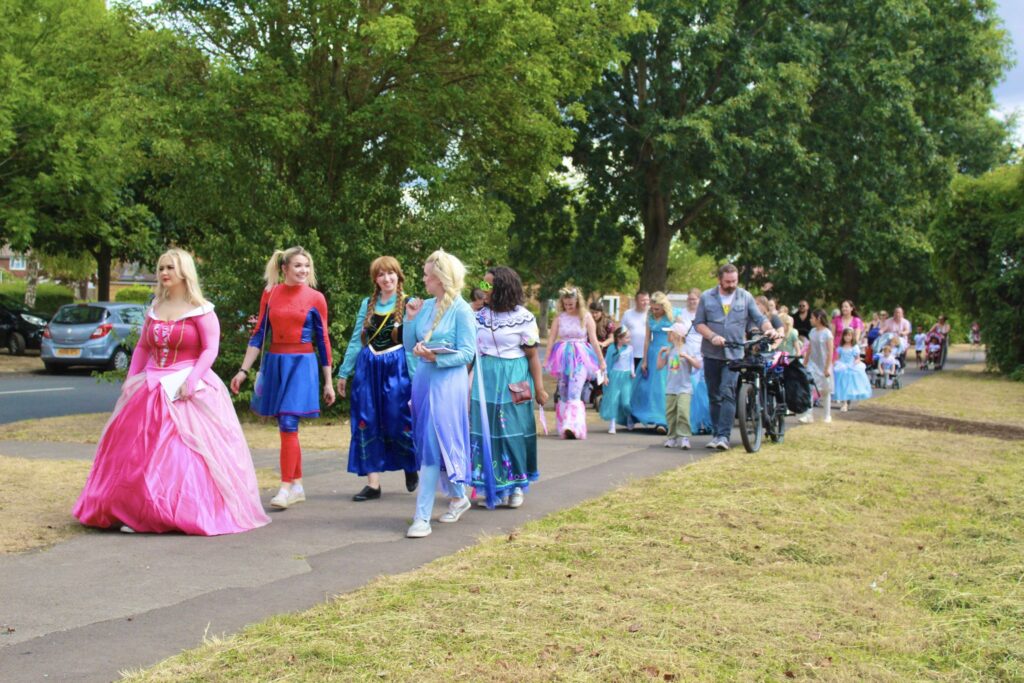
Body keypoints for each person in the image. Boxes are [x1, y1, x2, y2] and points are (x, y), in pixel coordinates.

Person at [74, 249, 270, 535]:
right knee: (137, 450)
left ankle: (177, 512)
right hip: (151, 384)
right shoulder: (155, 307)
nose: (164, 273)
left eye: (170, 268)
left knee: (182, 454)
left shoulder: (201, 309)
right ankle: (134, 511)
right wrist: (131, 381)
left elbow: (209, 348)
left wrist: (193, 380)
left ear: (184, 272)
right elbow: (142, 347)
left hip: (188, 385)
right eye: (161, 268)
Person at [231, 247, 335, 510]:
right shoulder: (271, 293)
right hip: (275, 361)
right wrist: (243, 370)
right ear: (285, 268)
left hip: (302, 364)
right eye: (298, 266)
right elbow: (258, 334)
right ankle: (297, 485)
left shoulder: (316, 298)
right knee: (285, 425)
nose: (303, 271)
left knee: (289, 421)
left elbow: (323, 340)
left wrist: (328, 381)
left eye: (307, 266)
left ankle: (285, 487)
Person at [403, 249, 476, 538]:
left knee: (433, 445)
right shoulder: (427, 306)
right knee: (429, 439)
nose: (423, 279)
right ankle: (459, 496)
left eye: (427, 275)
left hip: (448, 382)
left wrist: (438, 359)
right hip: (423, 379)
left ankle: (421, 517)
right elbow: (411, 345)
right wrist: (410, 319)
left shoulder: (461, 309)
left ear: (441, 278)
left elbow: (468, 352)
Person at [336, 256, 418, 502]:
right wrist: (344, 371)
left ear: (398, 275)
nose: (386, 278)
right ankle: (373, 484)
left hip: (397, 367)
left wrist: (415, 379)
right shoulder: (367, 303)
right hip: (368, 367)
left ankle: (410, 464)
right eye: (381, 274)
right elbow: (355, 339)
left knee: (398, 418)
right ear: (375, 279)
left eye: (391, 273)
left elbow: (413, 343)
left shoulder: (410, 303)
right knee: (366, 420)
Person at [470, 266, 548, 510]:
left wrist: (540, 388)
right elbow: (471, 353)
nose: (483, 289)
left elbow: (533, 356)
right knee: (486, 432)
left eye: (488, 285)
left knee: (513, 432)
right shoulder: (479, 316)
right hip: (486, 377)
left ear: (502, 288)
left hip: (514, 377)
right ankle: (493, 486)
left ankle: (515, 485)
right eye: (482, 285)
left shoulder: (523, 317)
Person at [694, 264, 777, 450]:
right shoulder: (707, 297)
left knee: (727, 391)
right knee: (714, 394)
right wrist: (712, 336)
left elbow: (759, 318)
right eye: (728, 282)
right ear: (719, 280)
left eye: (734, 281)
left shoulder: (745, 297)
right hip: (711, 353)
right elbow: (699, 323)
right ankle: (716, 434)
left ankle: (724, 436)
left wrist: (770, 330)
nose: (732, 285)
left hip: (734, 353)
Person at [544, 286, 606, 439]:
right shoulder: (560, 318)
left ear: (578, 302)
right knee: (563, 391)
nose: (568, 307)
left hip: (580, 357)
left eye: (571, 304)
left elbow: (593, 340)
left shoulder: (586, 317)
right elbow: (551, 338)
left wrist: (601, 361)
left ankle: (573, 426)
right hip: (563, 356)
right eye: (566, 304)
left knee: (574, 391)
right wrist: (546, 358)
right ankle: (563, 425)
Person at [629, 291, 676, 434]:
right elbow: (647, 339)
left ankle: (667, 420)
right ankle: (654, 419)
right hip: (654, 353)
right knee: (651, 387)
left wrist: (674, 350)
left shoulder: (673, 316)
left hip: (669, 351)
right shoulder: (649, 317)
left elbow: (679, 334)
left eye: (657, 309)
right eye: (653, 308)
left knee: (668, 385)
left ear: (664, 307)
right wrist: (644, 360)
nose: (654, 311)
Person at [657, 321, 701, 449]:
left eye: (670, 333)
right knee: (670, 413)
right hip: (671, 387)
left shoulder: (687, 348)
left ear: (677, 335)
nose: (668, 335)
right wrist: (661, 354)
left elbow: (698, 365)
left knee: (683, 411)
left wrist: (687, 357)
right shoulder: (669, 349)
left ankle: (685, 437)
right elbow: (659, 367)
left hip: (684, 387)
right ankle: (672, 437)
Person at [680, 288, 712, 435]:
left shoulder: (705, 314)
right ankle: (692, 421)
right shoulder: (682, 314)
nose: (692, 302)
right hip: (688, 352)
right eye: (690, 299)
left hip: (702, 353)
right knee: (690, 388)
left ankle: (705, 421)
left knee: (702, 389)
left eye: (695, 299)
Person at [600, 327, 635, 434]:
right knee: (613, 400)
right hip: (614, 375)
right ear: (619, 339)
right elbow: (606, 363)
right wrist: (605, 376)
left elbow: (631, 362)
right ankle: (612, 423)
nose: (629, 339)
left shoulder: (630, 348)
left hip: (626, 376)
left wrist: (632, 372)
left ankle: (628, 416)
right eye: (627, 337)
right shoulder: (612, 348)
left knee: (626, 401)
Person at [801, 309, 834, 424]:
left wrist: (827, 368)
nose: (810, 320)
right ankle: (809, 414)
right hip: (813, 364)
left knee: (825, 391)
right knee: (810, 388)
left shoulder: (827, 333)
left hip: (824, 364)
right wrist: (805, 362)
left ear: (818, 318)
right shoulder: (812, 332)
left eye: (812, 318)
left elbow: (830, 352)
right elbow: (810, 348)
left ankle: (827, 415)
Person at [833, 327, 872, 411]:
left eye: (849, 335)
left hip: (851, 366)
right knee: (842, 385)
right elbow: (838, 358)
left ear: (852, 337)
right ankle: (844, 403)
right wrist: (836, 364)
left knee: (849, 386)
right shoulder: (840, 347)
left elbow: (857, 358)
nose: (847, 337)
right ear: (843, 336)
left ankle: (847, 402)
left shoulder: (854, 347)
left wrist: (854, 363)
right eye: (846, 335)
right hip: (842, 366)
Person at [619, 291, 650, 370]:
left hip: (647, 355)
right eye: (642, 300)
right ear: (636, 301)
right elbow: (621, 332)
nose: (645, 302)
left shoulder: (651, 314)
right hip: (630, 353)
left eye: (647, 300)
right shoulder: (628, 314)